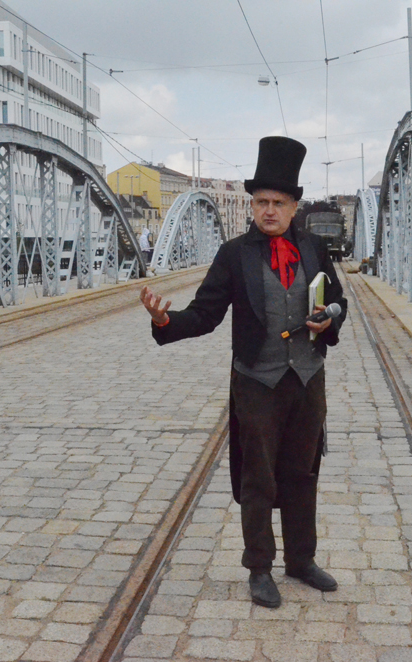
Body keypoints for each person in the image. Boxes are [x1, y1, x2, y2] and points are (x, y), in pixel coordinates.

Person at [140, 136, 347, 609]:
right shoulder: (235, 254)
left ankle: (301, 560)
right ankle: (259, 567)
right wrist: (166, 321)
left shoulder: (315, 248)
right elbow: (206, 314)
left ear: (294, 206)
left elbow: (340, 301)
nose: (268, 210)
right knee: (259, 479)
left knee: (303, 473)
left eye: (277, 202)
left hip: (308, 378)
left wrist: (331, 317)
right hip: (257, 381)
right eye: (260, 202)